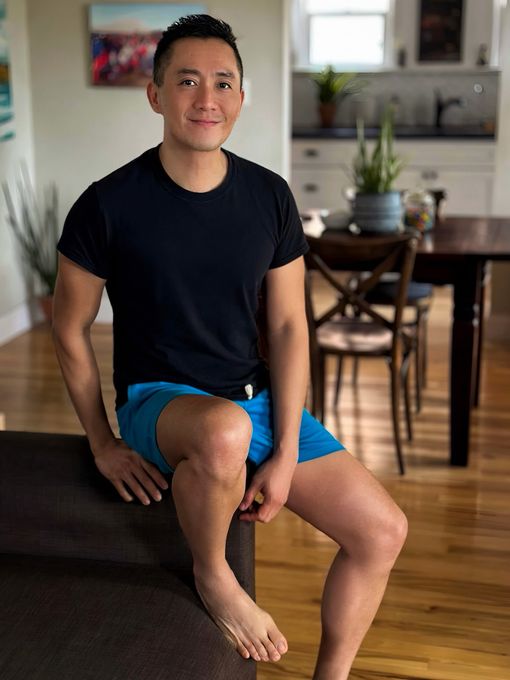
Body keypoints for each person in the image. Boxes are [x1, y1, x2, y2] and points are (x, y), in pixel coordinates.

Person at [53, 14, 408, 679]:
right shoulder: (107, 204)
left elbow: (289, 328)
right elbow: (68, 326)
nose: (206, 98)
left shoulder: (269, 196)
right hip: (159, 400)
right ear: (156, 94)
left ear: (241, 98)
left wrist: (286, 450)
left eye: (223, 82)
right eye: (187, 81)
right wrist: (102, 441)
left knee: (382, 532)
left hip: (253, 400)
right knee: (221, 433)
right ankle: (213, 575)